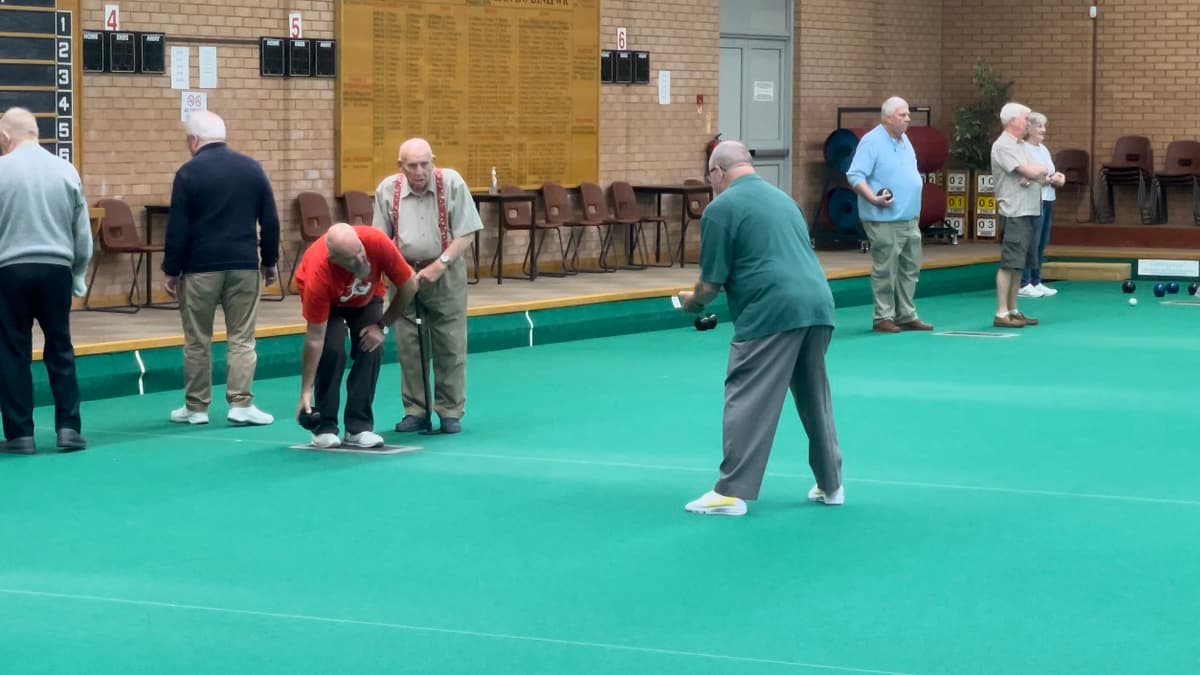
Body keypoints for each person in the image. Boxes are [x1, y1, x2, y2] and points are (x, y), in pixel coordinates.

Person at [679, 140, 843, 517]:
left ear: (718, 172)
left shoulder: (721, 209)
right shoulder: (784, 199)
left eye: (710, 177)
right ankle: (831, 484)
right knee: (814, 396)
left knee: (747, 393)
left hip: (771, 311)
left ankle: (730, 493)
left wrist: (692, 303)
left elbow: (710, 284)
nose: (712, 184)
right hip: (818, 305)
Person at [161, 110, 280, 426]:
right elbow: (270, 220)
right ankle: (240, 403)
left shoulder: (188, 173)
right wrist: (269, 262)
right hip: (243, 265)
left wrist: (171, 269)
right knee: (242, 337)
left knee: (197, 339)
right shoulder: (253, 169)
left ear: (194, 140)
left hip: (199, 268)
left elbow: (178, 227)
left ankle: (196, 408)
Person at [371, 138, 483, 434]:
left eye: (425, 163)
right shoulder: (387, 190)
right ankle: (416, 410)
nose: (419, 171)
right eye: (412, 165)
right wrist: (398, 268)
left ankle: (449, 410)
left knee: (449, 342)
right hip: (403, 275)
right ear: (401, 166)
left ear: (432, 160)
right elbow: (379, 240)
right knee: (409, 344)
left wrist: (439, 264)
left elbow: (466, 232)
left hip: (445, 271)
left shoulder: (452, 183)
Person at [0, 107, 92, 454]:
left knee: (11, 350)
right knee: (60, 348)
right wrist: (78, 273)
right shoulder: (65, 169)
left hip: (10, 270)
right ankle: (69, 428)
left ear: (7, 136)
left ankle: (20, 434)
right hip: (56, 270)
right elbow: (81, 233)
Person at [294, 223, 418, 449]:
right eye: (352, 258)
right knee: (332, 349)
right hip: (329, 302)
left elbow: (409, 284)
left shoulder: (377, 242)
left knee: (371, 346)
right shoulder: (318, 272)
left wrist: (382, 326)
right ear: (335, 260)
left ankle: (359, 427)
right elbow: (314, 339)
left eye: (360, 250)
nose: (362, 260)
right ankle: (324, 427)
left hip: (365, 298)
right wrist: (305, 390)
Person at [845, 96, 933, 333]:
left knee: (910, 268)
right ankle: (883, 316)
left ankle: (906, 314)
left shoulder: (904, 139)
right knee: (886, 269)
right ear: (887, 118)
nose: (908, 119)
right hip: (883, 218)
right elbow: (854, 175)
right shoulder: (871, 142)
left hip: (909, 217)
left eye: (907, 115)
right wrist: (873, 198)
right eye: (902, 115)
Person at [991, 102, 1051, 328]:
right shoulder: (1003, 146)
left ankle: (1014, 309)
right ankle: (1001, 312)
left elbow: (1040, 175)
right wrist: (1039, 171)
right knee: (1009, 264)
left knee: (1020, 265)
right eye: (1026, 119)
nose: (1029, 122)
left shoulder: (1021, 145)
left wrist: (1043, 174)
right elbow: (1032, 171)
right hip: (1014, 211)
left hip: (1030, 209)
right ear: (1013, 121)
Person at [1018, 112, 1066, 298]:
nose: (1043, 130)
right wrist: (1045, 179)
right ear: (1028, 128)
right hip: (1032, 201)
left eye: (1044, 126)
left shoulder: (1043, 149)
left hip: (1047, 199)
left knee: (1041, 243)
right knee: (1031, 242)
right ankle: (1024, 283)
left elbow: (1049, 173)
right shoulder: (1022, 149)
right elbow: (1026, 177)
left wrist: (1058, 178)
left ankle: (1036, 281)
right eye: (1039, 126)